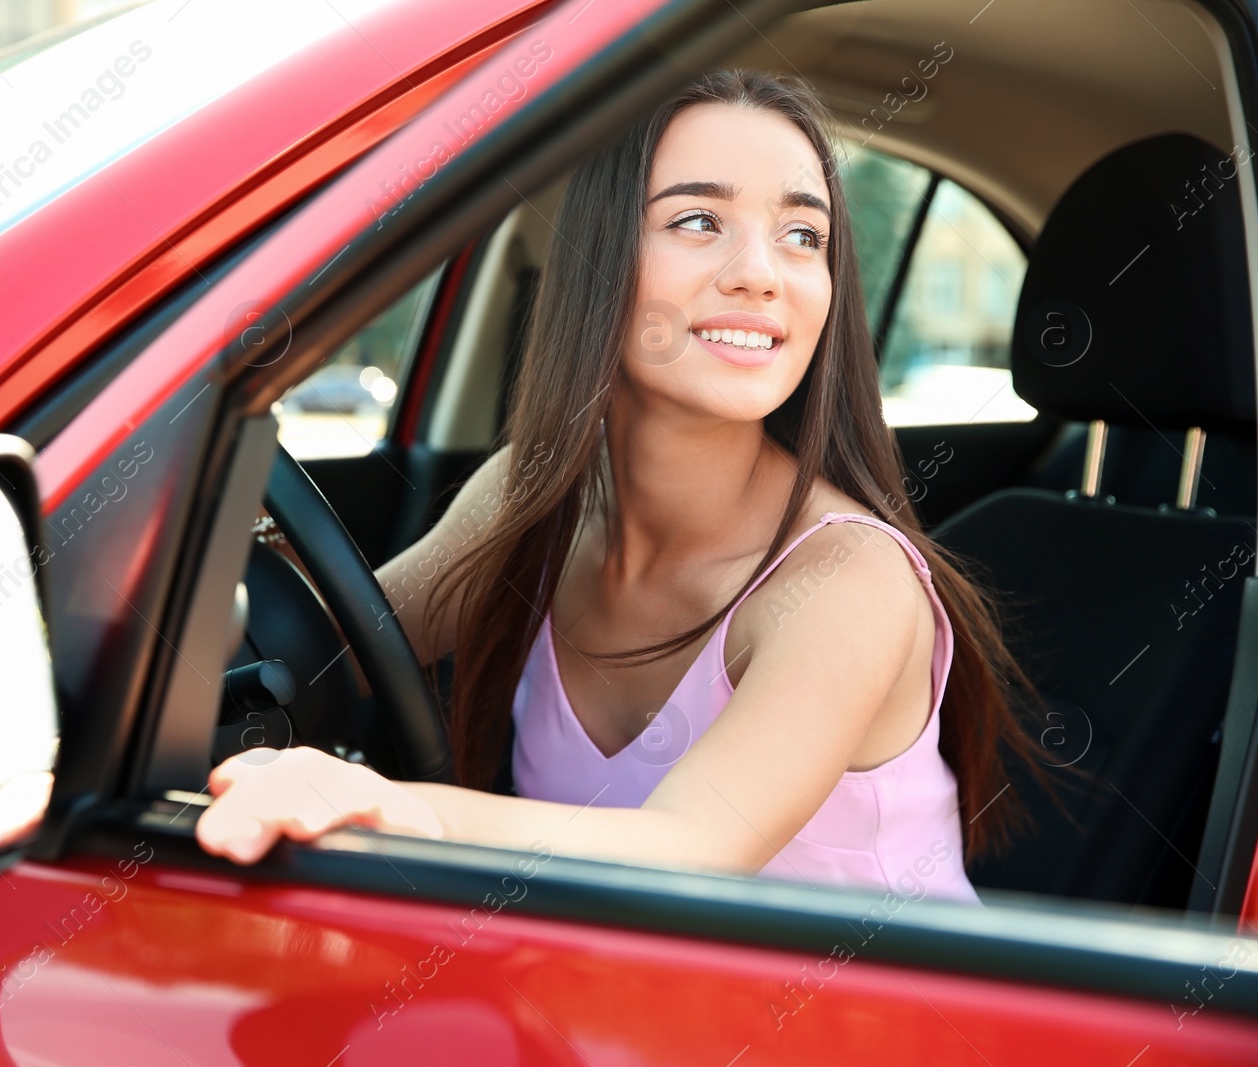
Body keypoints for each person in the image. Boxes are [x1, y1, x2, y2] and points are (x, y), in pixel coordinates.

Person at [195, 69, 1049, 905]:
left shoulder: (848, 581)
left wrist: (389, 806)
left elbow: (689, 849)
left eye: (803, 236)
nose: (762, 272)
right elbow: (323, 645)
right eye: (698, 219)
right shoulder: (525, 503)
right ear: (597, 259)